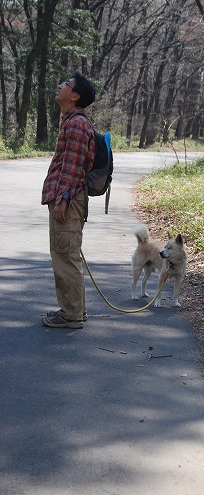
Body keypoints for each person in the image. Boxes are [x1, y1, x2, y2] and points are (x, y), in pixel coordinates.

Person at [41, 72, 96, 329]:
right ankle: (74, 310)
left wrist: (62, 199)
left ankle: (71, 314)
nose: (60, 85)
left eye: (66, 84)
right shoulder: (72, 121)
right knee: (67, 253)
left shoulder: (75, 124)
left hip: (69, 199)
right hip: (70, 197)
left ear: (75, 96)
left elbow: (73, 168)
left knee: (65, 254)